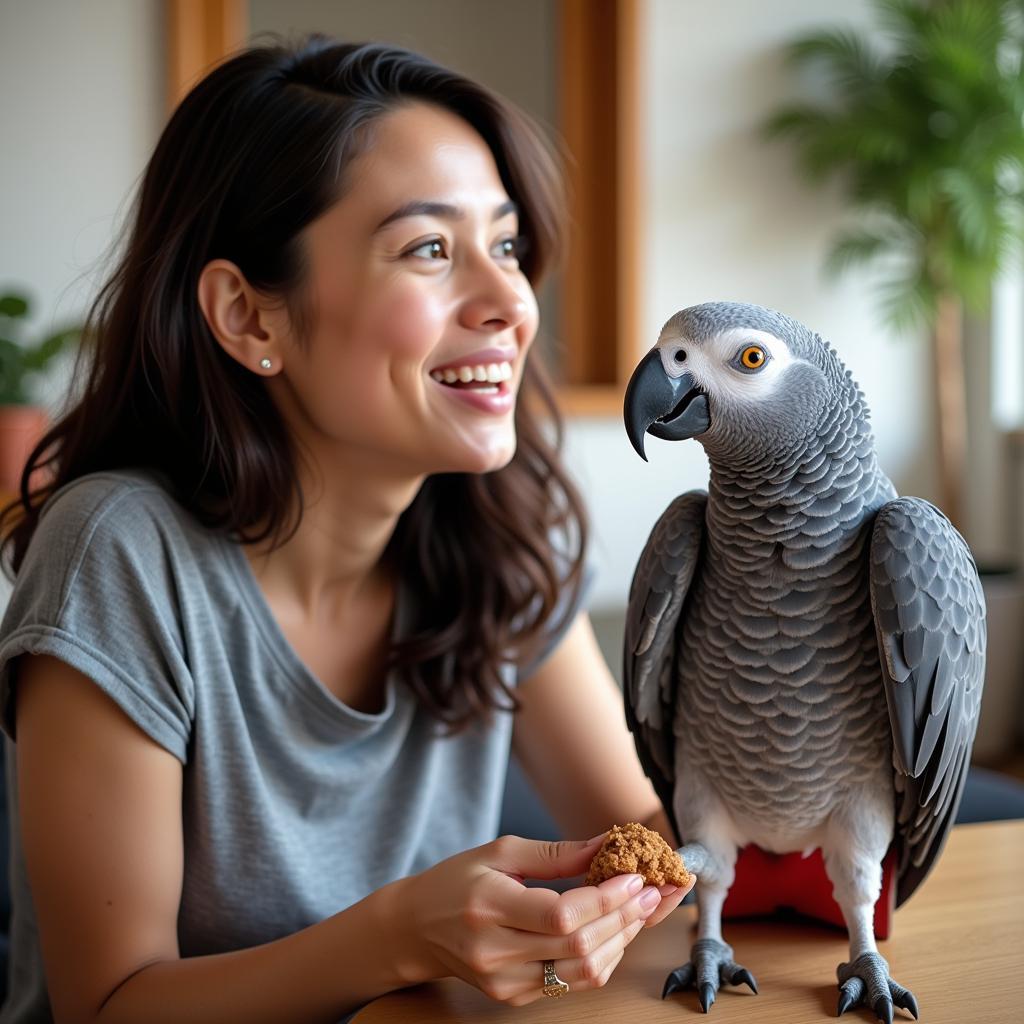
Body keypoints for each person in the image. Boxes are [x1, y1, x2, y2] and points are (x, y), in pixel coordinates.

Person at [0, 37, 691, 1023]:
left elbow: (649, 843)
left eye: (503, 245)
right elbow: (108, 1003)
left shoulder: (495, 543)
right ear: (250, 317)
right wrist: (396, 935)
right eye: (428, 250)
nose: (509, 302)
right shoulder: (119, 552)